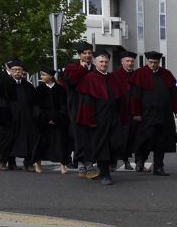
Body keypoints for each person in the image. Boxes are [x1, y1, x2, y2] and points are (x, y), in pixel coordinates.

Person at [75, 49, 128, 185]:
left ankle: (106, 167)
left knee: (116, 143)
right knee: (103, 147)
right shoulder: (89, 78)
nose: (104, 64)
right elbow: (86, 103)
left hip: (114, 118)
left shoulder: (112, 78)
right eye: (101, 61)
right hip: (98, 120)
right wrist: (90, 120)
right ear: (95, 62)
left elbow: (120, 98)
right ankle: (105, 174)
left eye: (106, 62)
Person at [131, 50, 177, 175]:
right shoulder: (139, 74)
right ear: (147, 61)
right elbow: (135, 96)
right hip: (146, 114)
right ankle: (140, 161)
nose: (153, 65)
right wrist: (136, 113)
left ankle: (159, 167)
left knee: (161, 141)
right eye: (151, 62)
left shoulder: (166, 74)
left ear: (159, 62)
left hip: (163, 114)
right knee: (145, 140)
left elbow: (174, 93)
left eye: (156, 62)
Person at [61, 42, 97, 178]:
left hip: (92, 107)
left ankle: (90, 164)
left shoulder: (94, 68)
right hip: (76, 106)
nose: (88, 55)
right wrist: (82, 69)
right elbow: (69, 82)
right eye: (85, 53)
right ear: (79, 55)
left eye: (89, 53)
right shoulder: (72, 67)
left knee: (91, 137)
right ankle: (82, 165)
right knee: (79, 136)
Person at [0, 59, 36, 171]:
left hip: (26, 120)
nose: (17, 72)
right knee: (8, 141)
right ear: (10, 71)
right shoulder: (4, 86)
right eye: (14, 70)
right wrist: (3, 120)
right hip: (9, 119)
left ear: (23, 72)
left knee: (27, 141)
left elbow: (33, 104)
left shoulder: (29, 87)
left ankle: (28, 164)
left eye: (19, 70)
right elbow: (0, 104)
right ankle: (4, 162)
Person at [32, 67, 70, 173]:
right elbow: (36, 107)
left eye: (43, 75)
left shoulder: (61, 89)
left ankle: (63, 165)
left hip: (58, 121)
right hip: (43, 122)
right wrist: (46, 119)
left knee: (60, 142)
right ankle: (38, 164)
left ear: (51, 76)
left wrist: (55, 118)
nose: (41, 77)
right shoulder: (39, 89)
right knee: (41, 142)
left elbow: (63, 106)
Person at [110, 49, 138, 171]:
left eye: (132, 61)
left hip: (133, 112)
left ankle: (127, 161)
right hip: (118, 111)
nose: (130, 63)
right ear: (122, 62)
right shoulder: (114, 75)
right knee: (116, 138)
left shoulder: (137, 75)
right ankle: (113, 161)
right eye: (127, 61)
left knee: (131, 138)